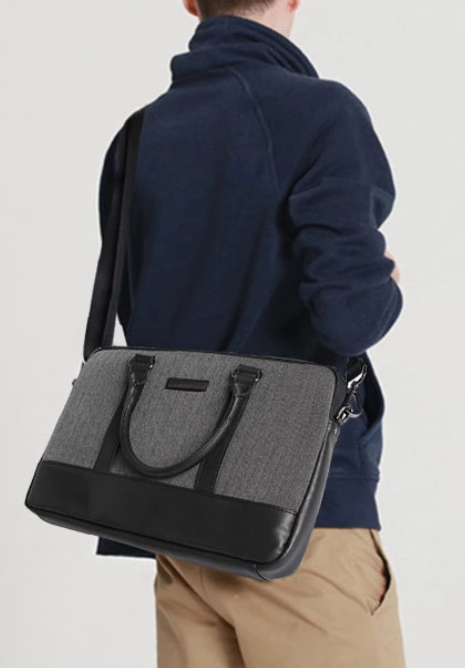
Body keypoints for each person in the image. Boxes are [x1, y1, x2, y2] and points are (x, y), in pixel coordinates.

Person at [94, 0, 406, 665]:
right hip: (300, 528)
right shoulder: (323, 114)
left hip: (173, 517)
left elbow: (137, 312)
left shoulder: (139, 135)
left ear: (190, 1)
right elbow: (353, 316)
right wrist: (387, 280)